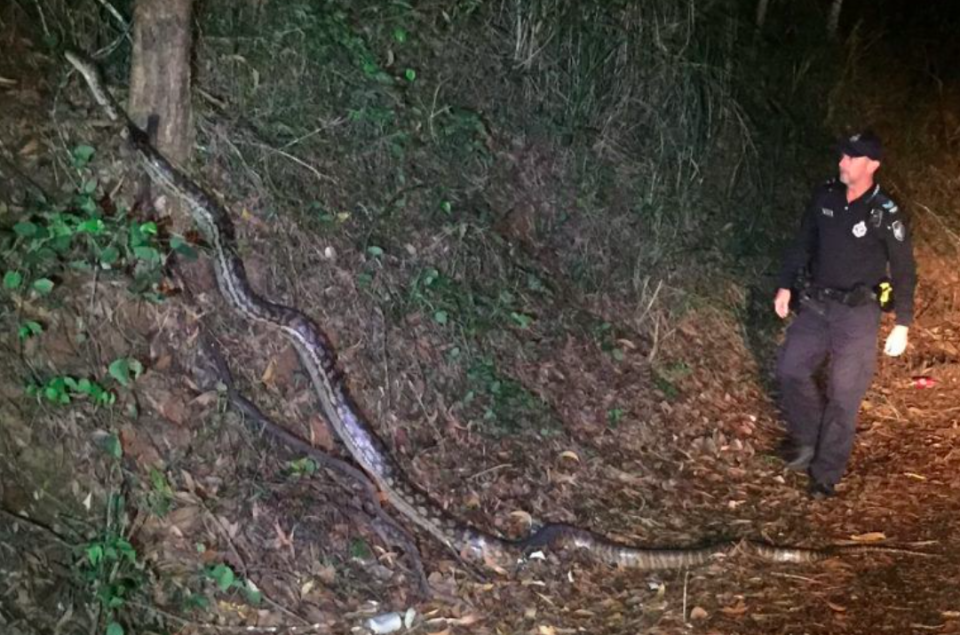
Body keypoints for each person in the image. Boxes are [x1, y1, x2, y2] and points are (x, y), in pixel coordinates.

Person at [773, 130, 917, 499]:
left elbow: (903, 269)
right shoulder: (825, 197)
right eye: (842, 156)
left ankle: (826, 472)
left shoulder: (885, 213)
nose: (842, 162)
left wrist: (902, 323)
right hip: (818, 306)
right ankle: (809, 439)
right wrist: (785, 284)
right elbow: (803, 242)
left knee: (844, 394)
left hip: (858, 315)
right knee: (791, 368)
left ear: (872, 165)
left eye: (850, 158)